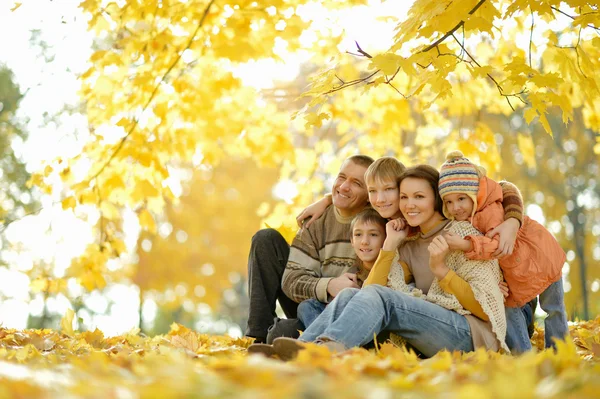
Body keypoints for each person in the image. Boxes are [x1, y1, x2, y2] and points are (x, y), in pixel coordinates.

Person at [257, 165, 508, 360]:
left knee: (380, 296)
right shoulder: (407, 243)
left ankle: (324, 352)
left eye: (419, 196)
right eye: (405, 197)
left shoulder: (463, 234)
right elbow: (369, 294)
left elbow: (487, 310)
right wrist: (389, 245)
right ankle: (298, 352)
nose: (410, 205)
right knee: (348, 296)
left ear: (437, 199)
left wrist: (442, 271)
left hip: (472, 336)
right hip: (432, 329)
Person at [438, 151, 568, 350]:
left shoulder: (489, 211)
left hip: (542, 259)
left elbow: (496, 246)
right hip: (519, 269)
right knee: (514, 309)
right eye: (449, 201)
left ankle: (560, 355)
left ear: (474, 193)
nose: (455, 207)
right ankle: (523, 355)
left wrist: (466, 245)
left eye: (461, 199)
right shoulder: (474, 213)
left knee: (554, 308)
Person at [245, 155, 374, 343]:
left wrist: (328, 199)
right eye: (341, 177)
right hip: (308, 307)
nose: (344, 186)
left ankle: (320, 341)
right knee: (265, 239)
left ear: (369, 195)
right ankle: (257, 337)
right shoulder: (316, 221)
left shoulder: (375, 223)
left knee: (280, 333)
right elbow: (291, 281)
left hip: (348, 315)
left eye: (356, 183)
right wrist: (329, 285)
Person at [297, 208, 387, 329]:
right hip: (339, 322)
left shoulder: (388, 268)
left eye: (373, 234)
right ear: (352, 241)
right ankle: (324, 340)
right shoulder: (353, 271)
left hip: (366, 323)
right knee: (307, 306)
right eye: (358, 235)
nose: (365, 241)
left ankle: (322, 341)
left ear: (385, 239)